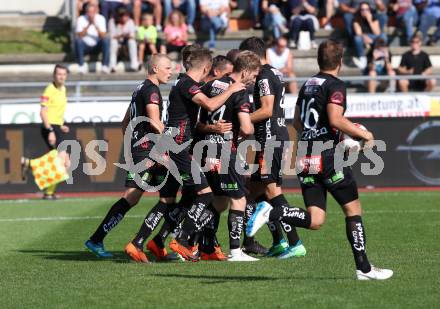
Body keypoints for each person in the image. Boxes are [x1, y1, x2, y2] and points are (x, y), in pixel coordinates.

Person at [247, 40, 394, 280]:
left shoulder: (307, 85)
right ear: (340, 61)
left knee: (315, 220)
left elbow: (296, 122)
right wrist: (362, 134)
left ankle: (273, 213)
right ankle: (364, 269)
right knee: (353, 210)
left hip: (306, 157)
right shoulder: (335, 85)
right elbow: (335, 119)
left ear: (318, 59)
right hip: (328, 157)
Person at [84, 54, 173, 259]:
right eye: (167, 68)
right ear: (155, 69)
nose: (171, 71)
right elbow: (155, 123)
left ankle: (98, 239)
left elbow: (125, 122)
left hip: (140, 149)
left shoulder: (139, 88)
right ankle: (169, 243)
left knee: (132, 197)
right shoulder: (152, 90)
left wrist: (133, 144)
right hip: (148, 151)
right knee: (172, 194)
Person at [164, 48, 246, 261]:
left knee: (196, 196)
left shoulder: (185, 84)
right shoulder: (187, 84)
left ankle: (185, 241)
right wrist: (232, 89)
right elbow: (210, 104)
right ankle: (181, 240)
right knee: (204, 194)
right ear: (207, 68)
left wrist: (210, 128)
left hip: (181, 146)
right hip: (179, 146)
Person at [239, 37, 306, 259]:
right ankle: (278, 241)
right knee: (255, 191)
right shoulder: (275, 73)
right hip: (275, 137)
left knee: (272, 191)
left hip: (270, 139)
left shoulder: (265, 76)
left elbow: (267, 109)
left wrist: (244, 120)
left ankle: (295, 243)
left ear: (252, 56)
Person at [196, 51, 261, 261]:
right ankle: (235, 251)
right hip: (225, 152)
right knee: (239, 199)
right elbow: (247, 128)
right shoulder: (239, 92)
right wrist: (249, 126)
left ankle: (198, 243)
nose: (254, 80)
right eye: (254, 75)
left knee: (220, 201)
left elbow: (195, 122)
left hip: (205, 151)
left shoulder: (210, 85)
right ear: (246, 71)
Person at [35, 64, 71, 200]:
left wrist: (61, 125)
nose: (61, 77)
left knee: (65, 163)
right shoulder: (49, 90)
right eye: (58, 74)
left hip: (57, 127)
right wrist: (50, 130)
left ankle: (49, 192)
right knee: (62, 162)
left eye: (63, 74)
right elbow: (43, 111)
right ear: (54, 75)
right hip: (50, 128)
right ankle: (48, 193)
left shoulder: (63, 89)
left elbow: (56, 111)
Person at [75, 3, 110, 74]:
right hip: (85, 46)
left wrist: (95, 25)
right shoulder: (81, 19)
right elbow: (80, 36)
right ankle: (81, 66)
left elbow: (103, 36)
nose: (91, 14)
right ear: (86, 12)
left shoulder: (101, 18)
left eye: (92, 12)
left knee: (106, 40)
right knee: (78, 41)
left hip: (97, 46)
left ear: (95, 11)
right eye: (89, 12)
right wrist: (88, 24)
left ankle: (105, 66)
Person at [352, 2, 386, 70]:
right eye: (362, 9)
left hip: (374, 37)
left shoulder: (374, 17)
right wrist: (364, 37)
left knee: (383, 36)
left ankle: (379, 58)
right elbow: (358, 33)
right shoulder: (356, 18)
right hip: (363, 37)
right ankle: (362, 59)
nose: (365, 11)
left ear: (369, 10)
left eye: (366, 9)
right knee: (357, 38)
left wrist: (370, 21)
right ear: (360, 10)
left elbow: (377, 33)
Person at [109, 7, 139, 72]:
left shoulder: (130, 21)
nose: (124, 18)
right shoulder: (112, 21)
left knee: (132, 42)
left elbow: (132, 37)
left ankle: (134, 65)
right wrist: (121, 35)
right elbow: (112, 37)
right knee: (113, 42)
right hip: (117, 41)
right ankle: (112, 66)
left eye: (126, 16)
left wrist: (126, 36)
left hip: (127, 41)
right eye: (122, 16)